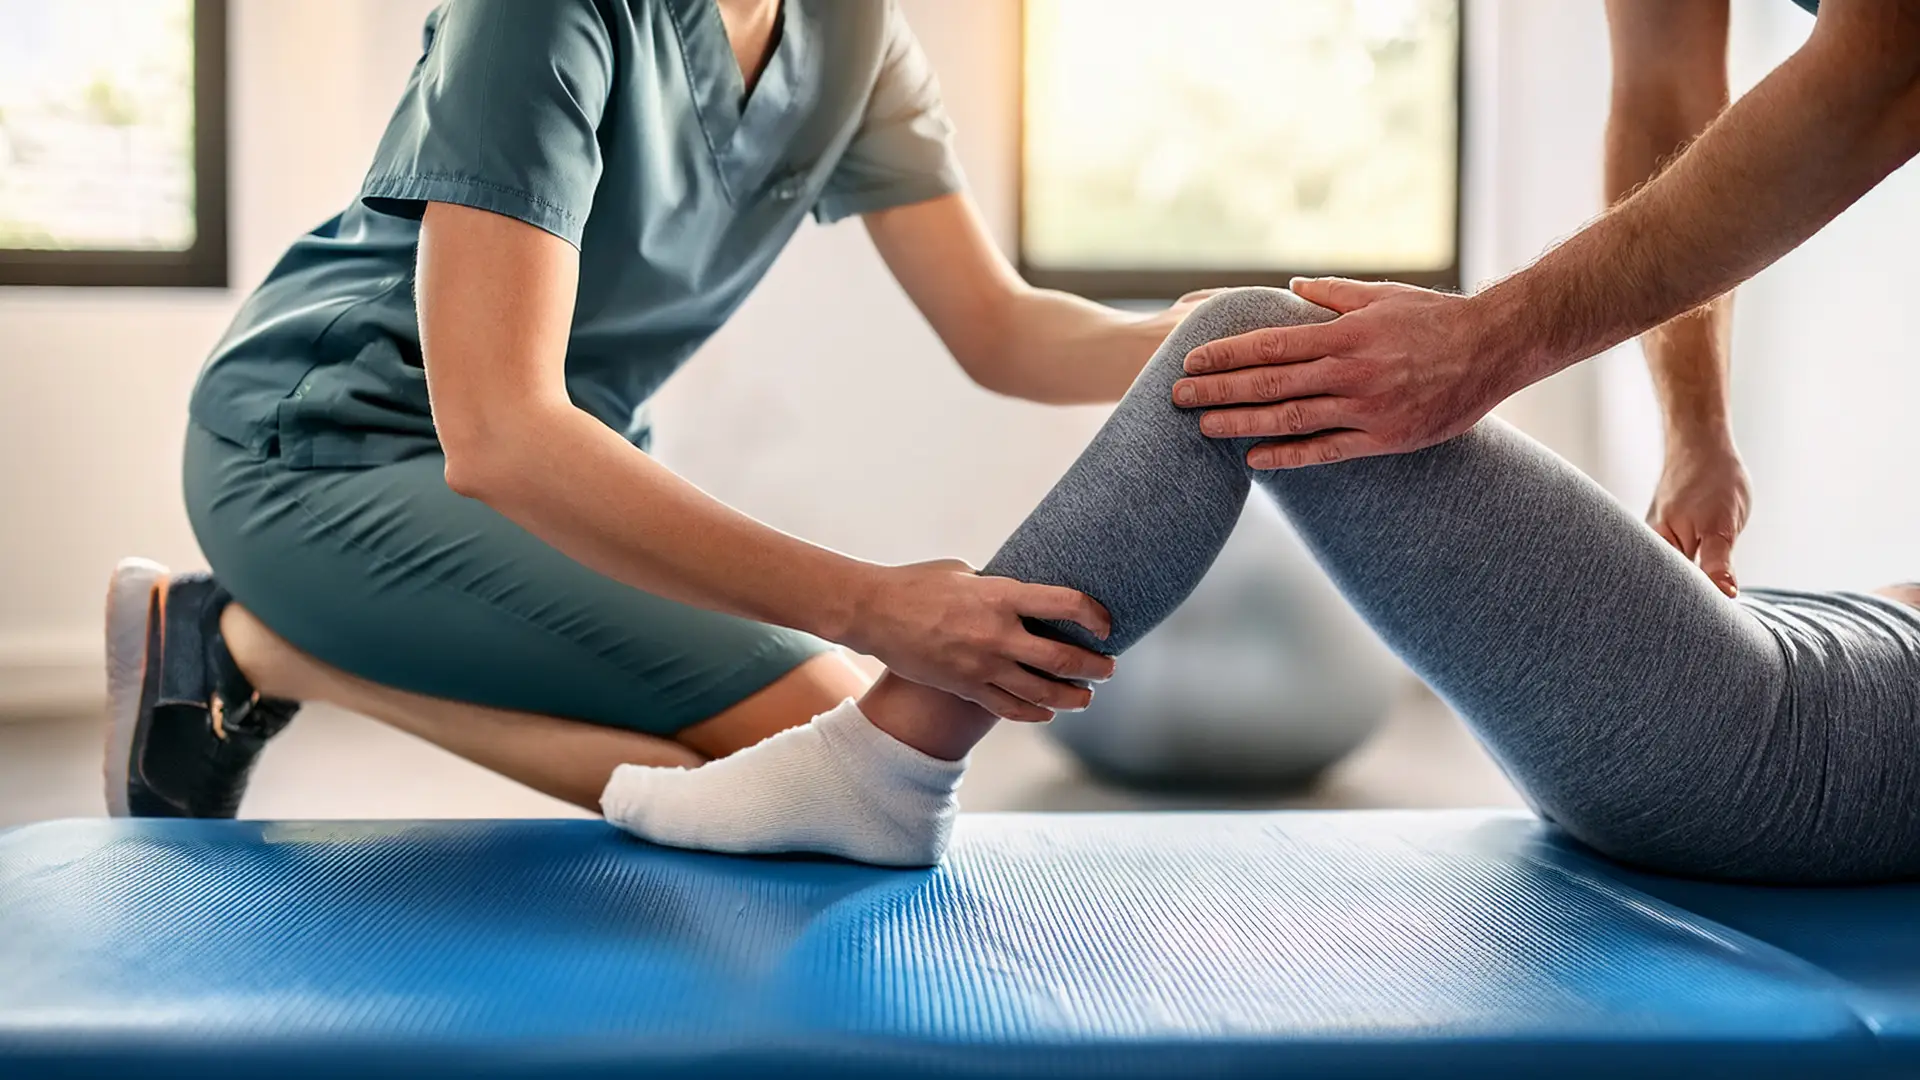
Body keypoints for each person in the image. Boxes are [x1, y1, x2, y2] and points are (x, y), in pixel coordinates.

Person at [108, 0, 1216, 819]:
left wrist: (1218, 333)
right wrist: (874, 607)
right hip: (324, 452)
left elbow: (1004, 330)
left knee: (823, 787)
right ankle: (259, 640)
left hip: (556, 473)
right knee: (843, 766)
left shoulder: (852, 33)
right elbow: (498, 435)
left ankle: (249, 648)